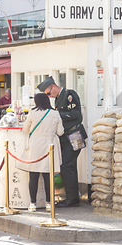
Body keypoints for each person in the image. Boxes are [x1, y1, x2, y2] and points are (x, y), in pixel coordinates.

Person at [37, 76, 87, 208]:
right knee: (70, 166)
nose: (49, 96)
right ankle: (73, 197)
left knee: (66, 166)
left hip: (75, 135)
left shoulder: (69, 94)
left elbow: (76, 115)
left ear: (53, 86)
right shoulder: (59, 98)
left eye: (48, 93)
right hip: (66, 137)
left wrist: (56, 115)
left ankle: (72, 198)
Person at [17, 93, 64, 212]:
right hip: (50, 146)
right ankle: (49, 203)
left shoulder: (32, 113)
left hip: (35, 146)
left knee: (33, 176)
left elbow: (25, 129)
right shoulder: (55, 113)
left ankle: (32, 204)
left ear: (37, 102)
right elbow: (60, 132)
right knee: (48, 177)